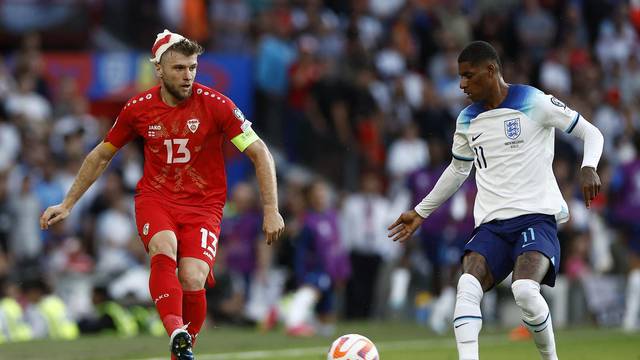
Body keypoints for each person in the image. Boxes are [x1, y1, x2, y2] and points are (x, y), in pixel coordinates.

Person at [40, 29, 285, 360]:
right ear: (159, 68)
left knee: (193, 277)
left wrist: (271, 208)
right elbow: (101, 154)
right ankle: (175, 331)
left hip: (204, 205)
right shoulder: (138, 109)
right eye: (179, 68)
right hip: (158, 199)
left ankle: (183, 350)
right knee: (163, 247)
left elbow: (259, 152)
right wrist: (68, 203)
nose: (188, 76)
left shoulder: (217, 106)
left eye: (193, 68)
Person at [388, 41, 603, 360]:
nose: (461, 84)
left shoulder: (534, 101)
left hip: (535, 218)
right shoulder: (466, 119)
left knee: (525, 291)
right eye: (460, 77)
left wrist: (588, 167)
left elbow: (592, 133)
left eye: (468, 76)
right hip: (491, 226)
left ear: (491, 71)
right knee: (466, 287)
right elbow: (457, 171)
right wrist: (421, 212)